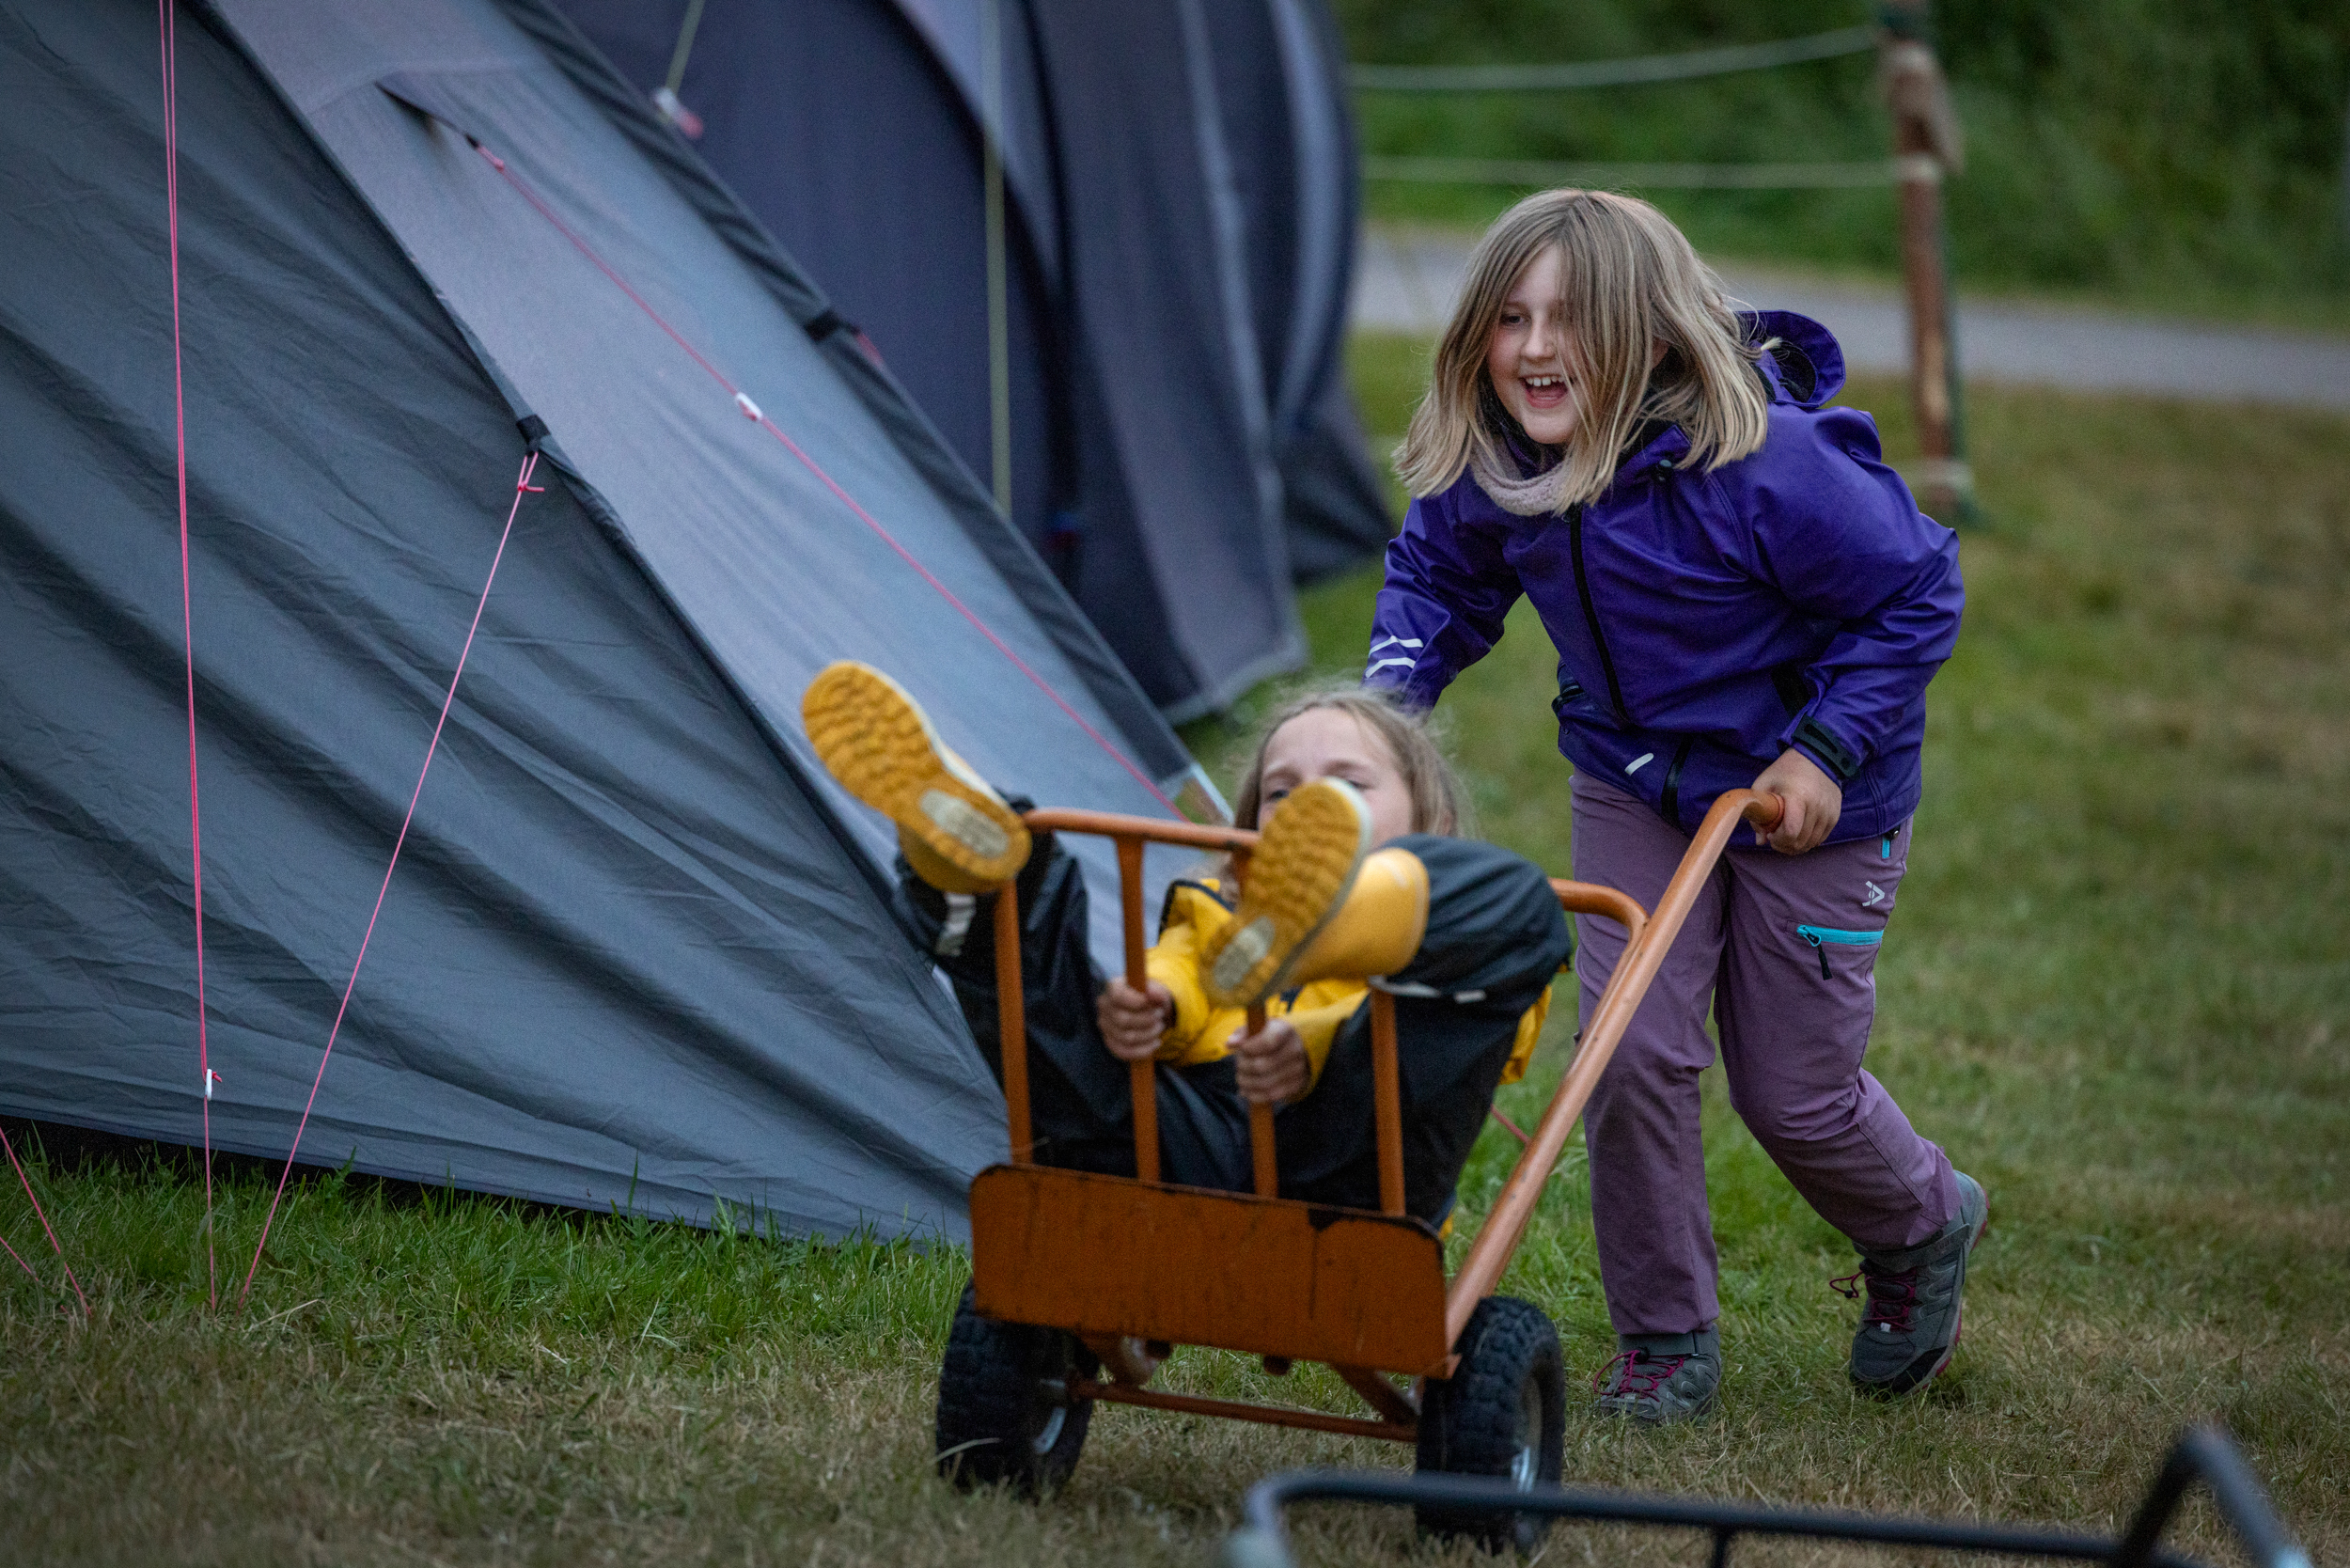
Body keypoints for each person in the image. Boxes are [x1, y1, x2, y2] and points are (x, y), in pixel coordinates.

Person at [1364, 187, 1982, 1419]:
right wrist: (1386, 715)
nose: (1536, 350)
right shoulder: (1508, 460)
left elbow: (1918, 592)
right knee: (1628, 1051)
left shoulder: (1767, 469)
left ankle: (1921, 1223)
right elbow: (1438, 575)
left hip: (1813, 797)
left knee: (1791, 1092)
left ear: (1649, 336)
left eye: (1572, 320)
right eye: (1511, 319)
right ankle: (1665, 1337)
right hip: (1638, 779)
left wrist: (1822, 752)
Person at [799, 664, 1573, 1226]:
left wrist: (1310, 1044)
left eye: (1347, 786)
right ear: (1250, 834)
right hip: (1177, 1143)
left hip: (1350, 1165)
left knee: (1522, 909)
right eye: (1281, 792)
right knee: (1037, 914)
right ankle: (961, 868)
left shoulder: (1456, 930)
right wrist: (1157, 1003)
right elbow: (1190, 962)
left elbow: (1504, 1033)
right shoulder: (1217, 907)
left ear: (1427, 823)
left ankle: (1331, 931)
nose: (1306, 801)